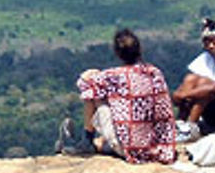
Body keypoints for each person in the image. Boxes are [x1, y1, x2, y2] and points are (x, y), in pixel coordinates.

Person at [55, 28, 176, 164]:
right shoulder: (155, 73)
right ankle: (94, 143)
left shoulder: (113, 76)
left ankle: (87, 141)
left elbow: (83, 84)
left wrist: (89, 74)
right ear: (139, 49)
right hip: (156, 146)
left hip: (131, 148)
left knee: (94, 93)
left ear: (118, 53)